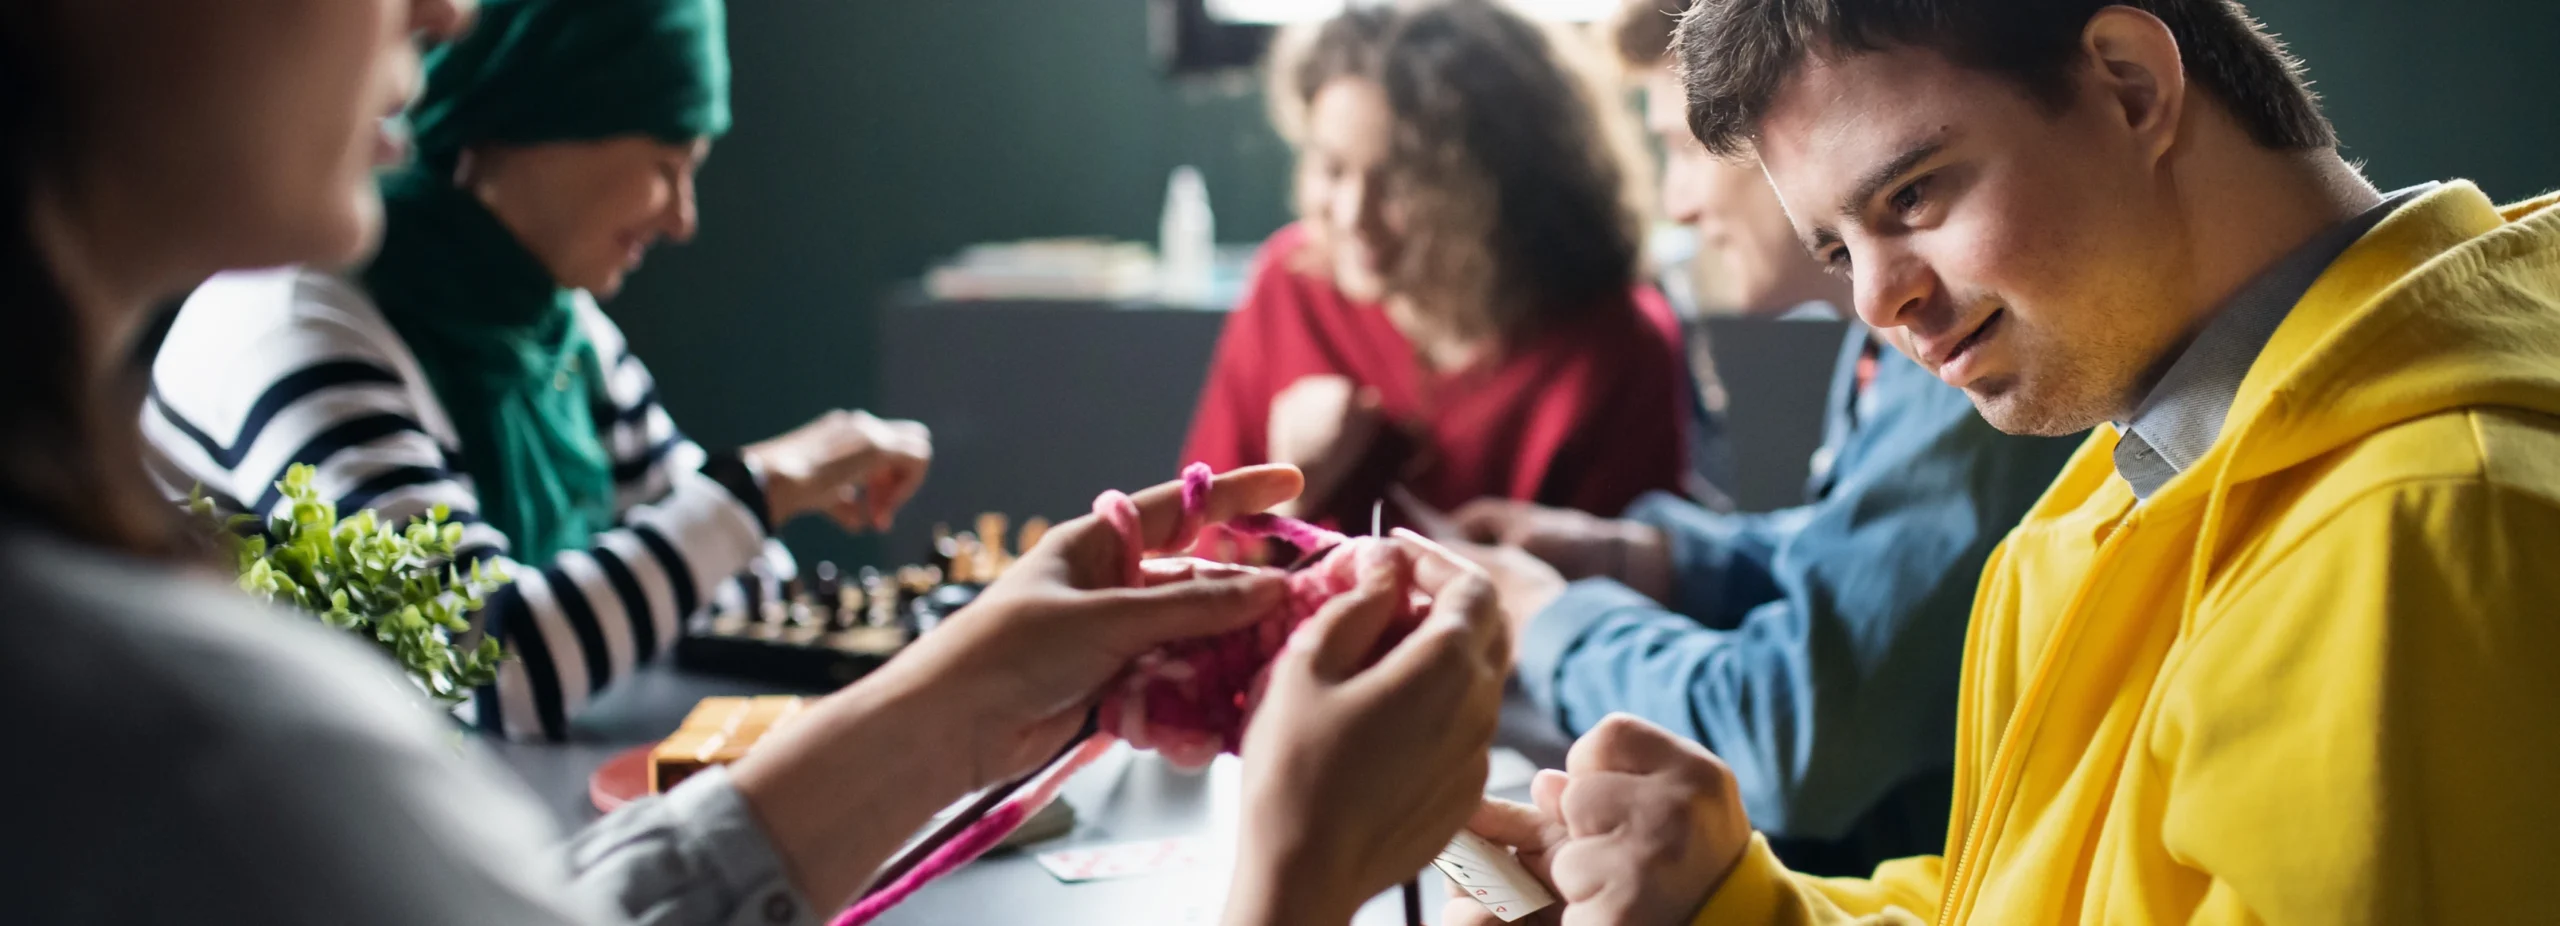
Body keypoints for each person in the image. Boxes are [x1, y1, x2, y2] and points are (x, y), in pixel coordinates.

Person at [5, 0, 1515, 923]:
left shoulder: (556, 337)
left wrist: (965, 684)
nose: (446, 10)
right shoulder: (203, 757)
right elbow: (500, 656)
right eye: (664, 155)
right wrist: (1298, 876)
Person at [1456, 0, 2560, 923]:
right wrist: (1723, 900)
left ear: (2130, 88)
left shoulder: (2419, 527)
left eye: (1913, 195)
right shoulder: (2147, 455)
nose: (1877, 301)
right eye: (1840, 249)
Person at [142, 0, 928, 741]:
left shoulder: (557, 327)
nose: (681, 217)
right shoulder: (295, 321)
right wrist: (765, 483)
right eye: (664, 162)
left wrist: (736, 515)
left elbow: (733, 579)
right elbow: (483, 669)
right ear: (538, 121)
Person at [1435, 0, 2081, 875]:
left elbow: (1792, 735)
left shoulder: (1970, 349)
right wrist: (1644, 559)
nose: (1679, 204)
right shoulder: (1884, 337)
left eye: (1679, 149)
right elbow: (1852, 567)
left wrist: (1543, 616)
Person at [1180, 0, 1690, 537]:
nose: (1355, 215)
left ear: (1497, 186)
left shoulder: (1616, 345)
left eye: (1402, 180)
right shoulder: (1289, 286)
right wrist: (1288, 494)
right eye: (1331, 168)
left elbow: (1629, 600)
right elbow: (1198, 563)